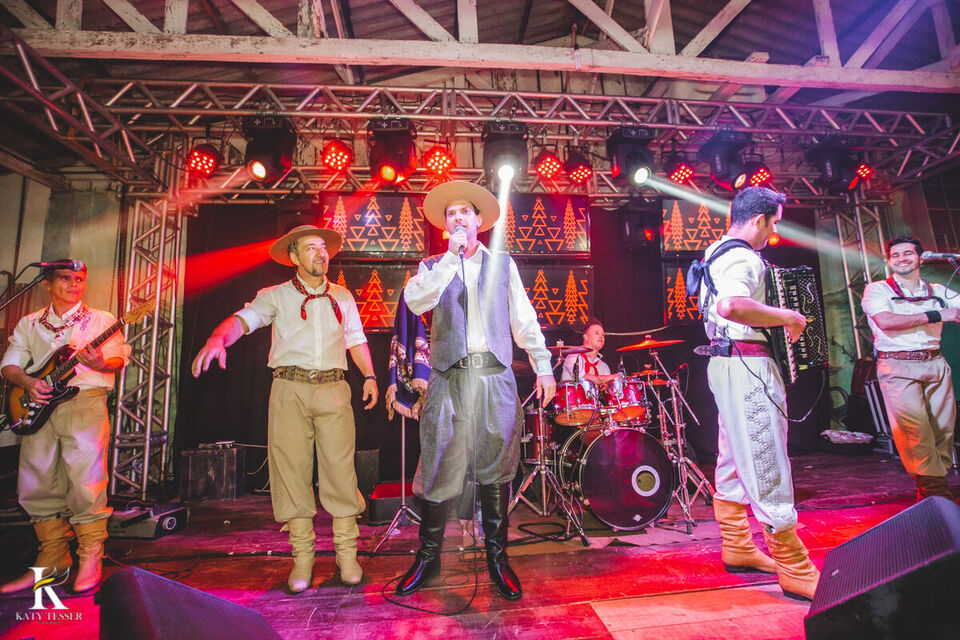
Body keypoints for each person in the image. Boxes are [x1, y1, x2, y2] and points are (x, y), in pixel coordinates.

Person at [191, 226, 377, 593]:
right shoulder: (274, 295)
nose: (320, 253)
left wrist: (369, 375)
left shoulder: (343, 296)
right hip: (289, 388)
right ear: (293, 257)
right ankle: (303, 558)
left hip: (334, 389)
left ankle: (347, 555)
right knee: (290, 471)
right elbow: (243, 321)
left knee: (341, 472)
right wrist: (217, 338)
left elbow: (356, 339)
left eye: (323, 247)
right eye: (310, 248)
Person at [397, 181, 556, 601]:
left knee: (496, 469)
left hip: (493, 377)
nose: (457, 218)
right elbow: (416, 303)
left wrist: (543, 367)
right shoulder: (433, 265)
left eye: (464, 212)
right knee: (438, 465)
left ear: (479, 221)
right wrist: (451, 258)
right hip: (448, 378)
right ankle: (428, 557)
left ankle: (497, 559)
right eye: (451, 214)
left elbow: (524, 320)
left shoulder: (502, 264)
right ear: (445, 224)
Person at [698, 186, 820, 601]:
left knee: (734, 456)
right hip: (747, 362)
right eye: (773, 223)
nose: (773, 232)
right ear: (758, 220)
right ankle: (795, 567)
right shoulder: (744, 257)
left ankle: (737, 545)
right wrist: (787, 316)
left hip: (726, 361)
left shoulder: (716, 251)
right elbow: (731, 305)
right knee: (766, 456)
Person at [1, 261, 130, 595]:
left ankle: (90, 556)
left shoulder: (101, 320)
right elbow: (10, 365)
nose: (75, 284)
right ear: (47, 283)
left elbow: (117, 359)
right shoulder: (30, 322)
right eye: (66, 278)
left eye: (80, 279)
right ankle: (52, 558)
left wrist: (101, 363)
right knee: (37, 481)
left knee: (87, 480)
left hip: (84, 402)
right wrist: (29, 383)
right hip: (38, 406)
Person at [862, 236, 960, 500]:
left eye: (908, 253)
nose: (901, 258)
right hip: (898, 365)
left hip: (935, 362)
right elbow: (886, 321)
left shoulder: (937, 290)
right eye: (895, 255)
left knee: (943, 430)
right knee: (915, 431)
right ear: (889, 261)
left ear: (920, 258)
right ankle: (934, 492)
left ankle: (934, 486)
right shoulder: (878, 289)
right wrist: (936, 315)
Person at [560, 317, 617, 385]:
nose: (601, 336)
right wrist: (612, 377)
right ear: (586, 337)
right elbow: (581, 378)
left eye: (603, 335)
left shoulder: (604, 366)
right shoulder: (573, 356)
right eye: (597, 333)